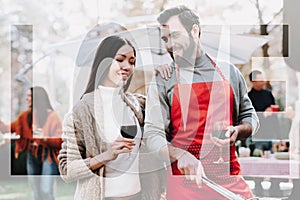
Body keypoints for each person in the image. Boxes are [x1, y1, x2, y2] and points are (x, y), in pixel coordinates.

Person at [144, 6, 259, 199]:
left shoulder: (229, 72)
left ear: (194, 31)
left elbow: (250, 117)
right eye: (165, 39)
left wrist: (238, 131)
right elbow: (152, 134)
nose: (169, 45)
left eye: (175, 35)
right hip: (184, 184)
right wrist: (180, 155)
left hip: (229, 180)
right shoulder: (164, 79)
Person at [58, 35, 171, 200]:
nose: (127, 66)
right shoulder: (80, 113)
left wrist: (160, 80)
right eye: (120, 60)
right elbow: (67, 169)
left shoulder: (138, 105)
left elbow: (167, 123)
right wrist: (106, 155)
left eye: (132, 62)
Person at [0, 86, 62, 200]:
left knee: (46, 190)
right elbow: (8, 129)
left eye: (29, 96)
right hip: (32, 157)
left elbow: (59, 142)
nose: (26, 98)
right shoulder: (25, 117)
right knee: (37, 192)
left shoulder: (52, 117)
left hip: (48, 157)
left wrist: (44, 138)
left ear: (37, 98)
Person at [248, 70, 282, 197]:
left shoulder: (268, 94)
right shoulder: (249, 97)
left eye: (263, 79)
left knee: (275, 162)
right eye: (260, 80)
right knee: (258, 162)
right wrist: (263, 114)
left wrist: (279, 136)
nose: (263, 82)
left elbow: (275, 116)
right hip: (258, 135)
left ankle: (275, 185)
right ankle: (258, 186)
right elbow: (250, 118)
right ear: (253, 81)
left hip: (271, 134)